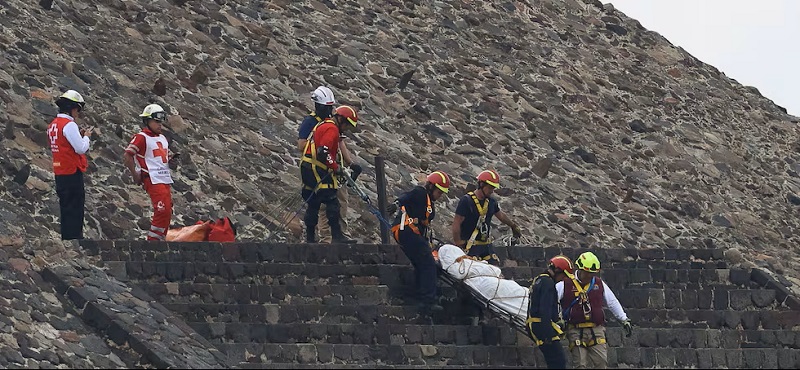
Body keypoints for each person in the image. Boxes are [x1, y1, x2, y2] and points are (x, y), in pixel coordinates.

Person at [297, 86, 357, 243]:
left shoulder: (325, 124)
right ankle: (335, 237)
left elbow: (337, 144)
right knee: (332, 202)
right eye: (347, 125)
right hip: (318, 168)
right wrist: (336, 167)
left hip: (309, 167)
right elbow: (322, 151)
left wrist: (350, 163)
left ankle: (310, 239)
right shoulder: (329, 127)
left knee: (313, 203)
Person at [556, 252, 633, 369]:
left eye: (592, 273)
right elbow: (552, 302)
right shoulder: (564, 285)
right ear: (580, 269)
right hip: (575, 329)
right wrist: (557, 319)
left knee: (601, 362)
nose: (589, 276)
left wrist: (624, 319)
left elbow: (612, 302)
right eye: (587, 273)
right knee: (580, 364)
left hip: (596, 329)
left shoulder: (599, 284)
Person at [388, 171, 451, 314]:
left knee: (421, 264)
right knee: (428, 263)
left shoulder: (429, 202)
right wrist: (396, 204)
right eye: (439, 192)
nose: (440, 195)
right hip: (407, 231)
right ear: (431, 187)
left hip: (413, 234)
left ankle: (417, 297)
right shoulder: (420, 193)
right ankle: (428, 301)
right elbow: (406, 197)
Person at [123, 104, 178, 241]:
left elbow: (161, 157)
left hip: (164, 178)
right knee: (162, 210)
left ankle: (160, 240)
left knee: (167, 211)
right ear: (147, 121)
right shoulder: (141, 137)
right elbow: (128, 155)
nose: (160, 125)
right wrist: (135, 174)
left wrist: (171, 160)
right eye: (156, 121)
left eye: (161, 122)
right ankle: (152, 242)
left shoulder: (163, 138)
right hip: (152, 178)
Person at [47, 90, 92, 240]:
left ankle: (67, 237)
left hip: (59, 170)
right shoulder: (69, 125)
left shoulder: (53, 125)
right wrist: (86, 137)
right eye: (78, 110)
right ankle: (75, 238)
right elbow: (80, 148)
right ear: (73, 108)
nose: (78, 114)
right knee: (75, 206)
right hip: (72, 170)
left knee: (65, 206)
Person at [451, 169, 522, 265]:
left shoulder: (491, 202)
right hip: (470, 246)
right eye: (490, 187)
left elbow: (500, 215)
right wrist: (458, 242)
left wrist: (513, 226)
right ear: (481, 184)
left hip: (486, 247)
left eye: (493, 188)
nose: (492, 191)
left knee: (495, 268)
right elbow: (457, 222)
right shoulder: (466, 201)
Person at [527, 255, 573, 369]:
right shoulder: (548, 283)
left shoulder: (539, 279)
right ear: (557, 271)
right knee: (558, 361)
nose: (563, 279)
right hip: (543, 326)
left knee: (553, 361)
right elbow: (545, 308)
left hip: (536, 325)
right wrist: (548, 333)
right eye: (564, 276)